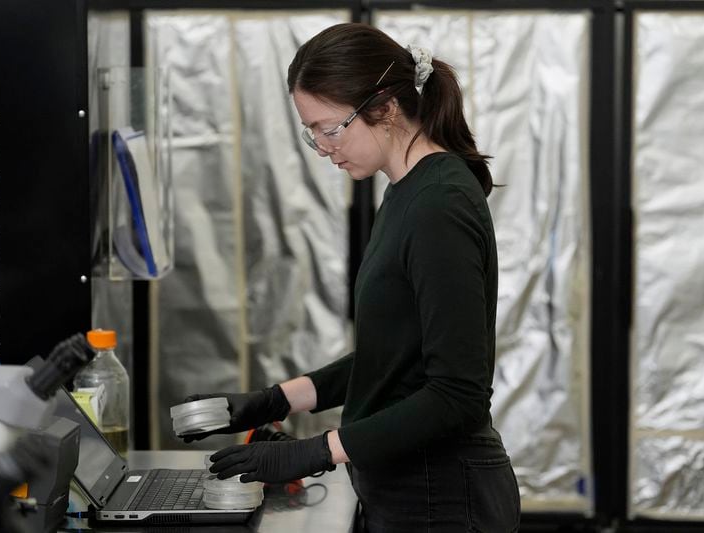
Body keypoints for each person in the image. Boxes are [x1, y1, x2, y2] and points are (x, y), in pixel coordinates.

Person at [182, 22, 520, 532]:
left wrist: (316, 452)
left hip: (443, 497)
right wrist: (273, 401)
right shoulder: (407, 190)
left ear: (383, 107)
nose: (321, 147)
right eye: (310, 130)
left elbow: (457, 394)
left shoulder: (439, 204)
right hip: (409, 491)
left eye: (330, 127)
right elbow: (396, 357)